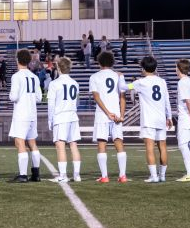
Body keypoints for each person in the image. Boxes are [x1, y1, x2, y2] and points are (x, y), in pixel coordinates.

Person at [130, 56, 172, 183]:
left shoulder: (140, 82)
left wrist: (119, 76)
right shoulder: (162, 81)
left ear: (143, 68)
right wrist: (169, 117)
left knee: (149, 147)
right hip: (160, 119)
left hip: (148, 120)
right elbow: (167, 100)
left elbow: (124, 87)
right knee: (162, 147)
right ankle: (162, 176)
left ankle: (154, 176)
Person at [90, 50, 128, 183]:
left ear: (99, 62)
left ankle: (105, 176)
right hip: (117, 115)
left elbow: (96, 97)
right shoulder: (118, 76)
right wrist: (121, 115)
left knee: (102, 144)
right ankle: (122, 176)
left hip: (102, 115)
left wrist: (107, 113)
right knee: (119, 143)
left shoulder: (94, 77)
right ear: (112, 62)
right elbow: (123, 97)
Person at [9, 48, 43, 183]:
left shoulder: (16, 76)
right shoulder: (34, 76)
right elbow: (39, 98)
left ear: (18, 60)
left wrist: (14, 96)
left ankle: (23, 175)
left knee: (20, 142)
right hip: (32, 114)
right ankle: (36, 174)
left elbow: (14, 96)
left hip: (21, 113)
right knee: (33, 143)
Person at [46, 56, 81, 183]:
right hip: (72, 115)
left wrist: (50, 120)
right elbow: (77, 102)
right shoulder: (75, 83)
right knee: (73, 145)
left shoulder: (54, 84)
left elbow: (51, 105)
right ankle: (77, 175)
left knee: (60, 145)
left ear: (58, 67)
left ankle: (63, 175)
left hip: (61, 116)